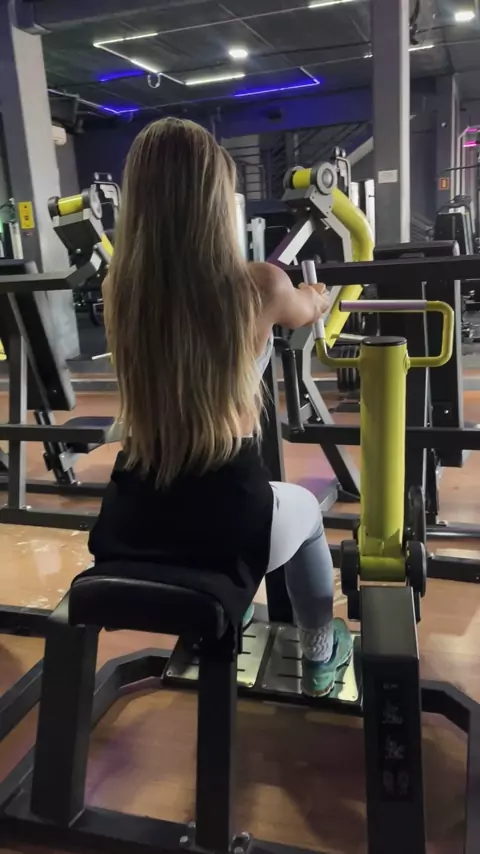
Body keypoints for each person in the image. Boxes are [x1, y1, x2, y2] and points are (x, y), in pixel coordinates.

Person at [89, 117, 352, 697]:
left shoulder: (118, 290)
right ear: (214, 201)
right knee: (308, 515)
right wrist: (314, 295)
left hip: (136, 510)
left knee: (259, 512)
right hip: (227, 512)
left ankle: (233, 620)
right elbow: (308, 307)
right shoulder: (260, 285)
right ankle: (320, 646)